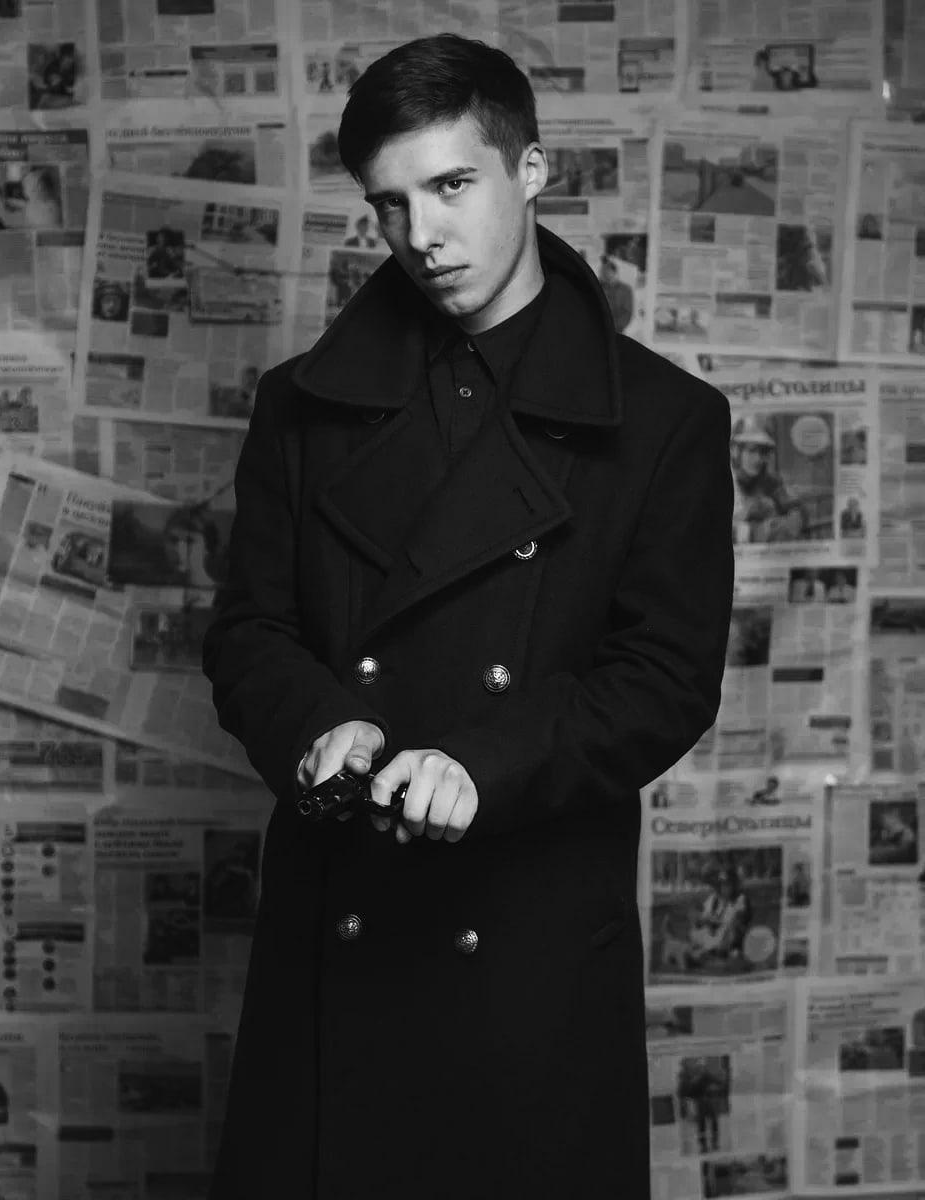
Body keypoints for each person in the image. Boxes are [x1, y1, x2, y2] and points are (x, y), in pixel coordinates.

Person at [202, 33, 734, 1200]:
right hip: (339, 940)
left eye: (452, 185)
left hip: (530, 951)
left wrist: (483, 763)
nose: (422, 235)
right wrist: (320, 724)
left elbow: (665, 677)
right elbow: (249, 632)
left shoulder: (666, 422)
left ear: (531, 170)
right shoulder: (300, 407)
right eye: (390, 204)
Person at [731, 415, 806, 543]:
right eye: (752, 451)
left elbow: (796, 511)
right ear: (735, 451)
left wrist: (791, 519)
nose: (758, 459)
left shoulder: (771, 482)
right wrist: (757, 530)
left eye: (763, 452)